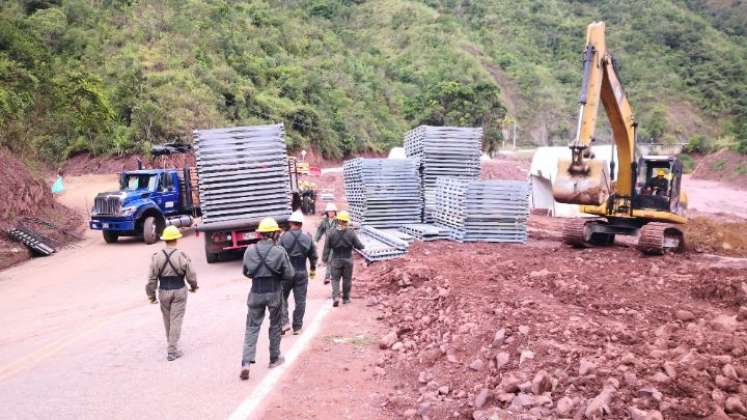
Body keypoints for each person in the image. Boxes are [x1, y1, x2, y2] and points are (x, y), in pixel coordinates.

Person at [240, 217, 295, 381]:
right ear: (273, 233)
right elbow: (289, 274)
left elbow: (246, 272)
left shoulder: (250, 250)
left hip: (256, 292)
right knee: (275, 325)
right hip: (273, 293)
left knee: (252, 327)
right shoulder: (279, 251)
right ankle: (274, 358)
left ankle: (245, 363)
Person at [146, 226, 199, 361]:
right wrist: (194, 286)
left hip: (163, 291)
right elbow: (191, 275)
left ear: (164, 240)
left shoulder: (156, 257)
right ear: (176, 239)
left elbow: (151, 279)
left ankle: (171, 343)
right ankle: (172, 350)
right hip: (179, 290)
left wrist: (151, 295)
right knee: (176, 319)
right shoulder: (182, 256)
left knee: (167, 318)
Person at [279, 211, 318, 335]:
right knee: (300, 300)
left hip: (285, 273)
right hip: (301, 272)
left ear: (290, 223)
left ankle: (284, 322)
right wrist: (312, 270)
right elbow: (314, 256)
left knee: (281, 298)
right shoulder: (307, 237)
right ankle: (297, 327)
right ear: (301, 223)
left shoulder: (283, 237)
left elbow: (278, 256)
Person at [322, 210, 364, 307]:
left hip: (335, 259)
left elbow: (327, 248)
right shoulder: (351, 233)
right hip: (348, 260)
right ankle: (345, 299)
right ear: (346, 221)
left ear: (338, 220)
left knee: (335, 280)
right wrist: (363, 246)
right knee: (347, 280)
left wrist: (324, 259)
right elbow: (359, 245)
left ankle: (336, 297)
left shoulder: (331, 233)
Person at [315, 203, 338, 285]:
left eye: (332, 212)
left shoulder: (338, 221)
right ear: (327, 212)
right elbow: (319, 231)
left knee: (330, 260)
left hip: (337, 244)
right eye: (329, 212)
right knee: (328, 259)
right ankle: (331, 276)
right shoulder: (324, 221)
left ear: (335, 212)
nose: (331, 213)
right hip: (328, 244)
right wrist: (315, 241)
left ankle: (328, 276)